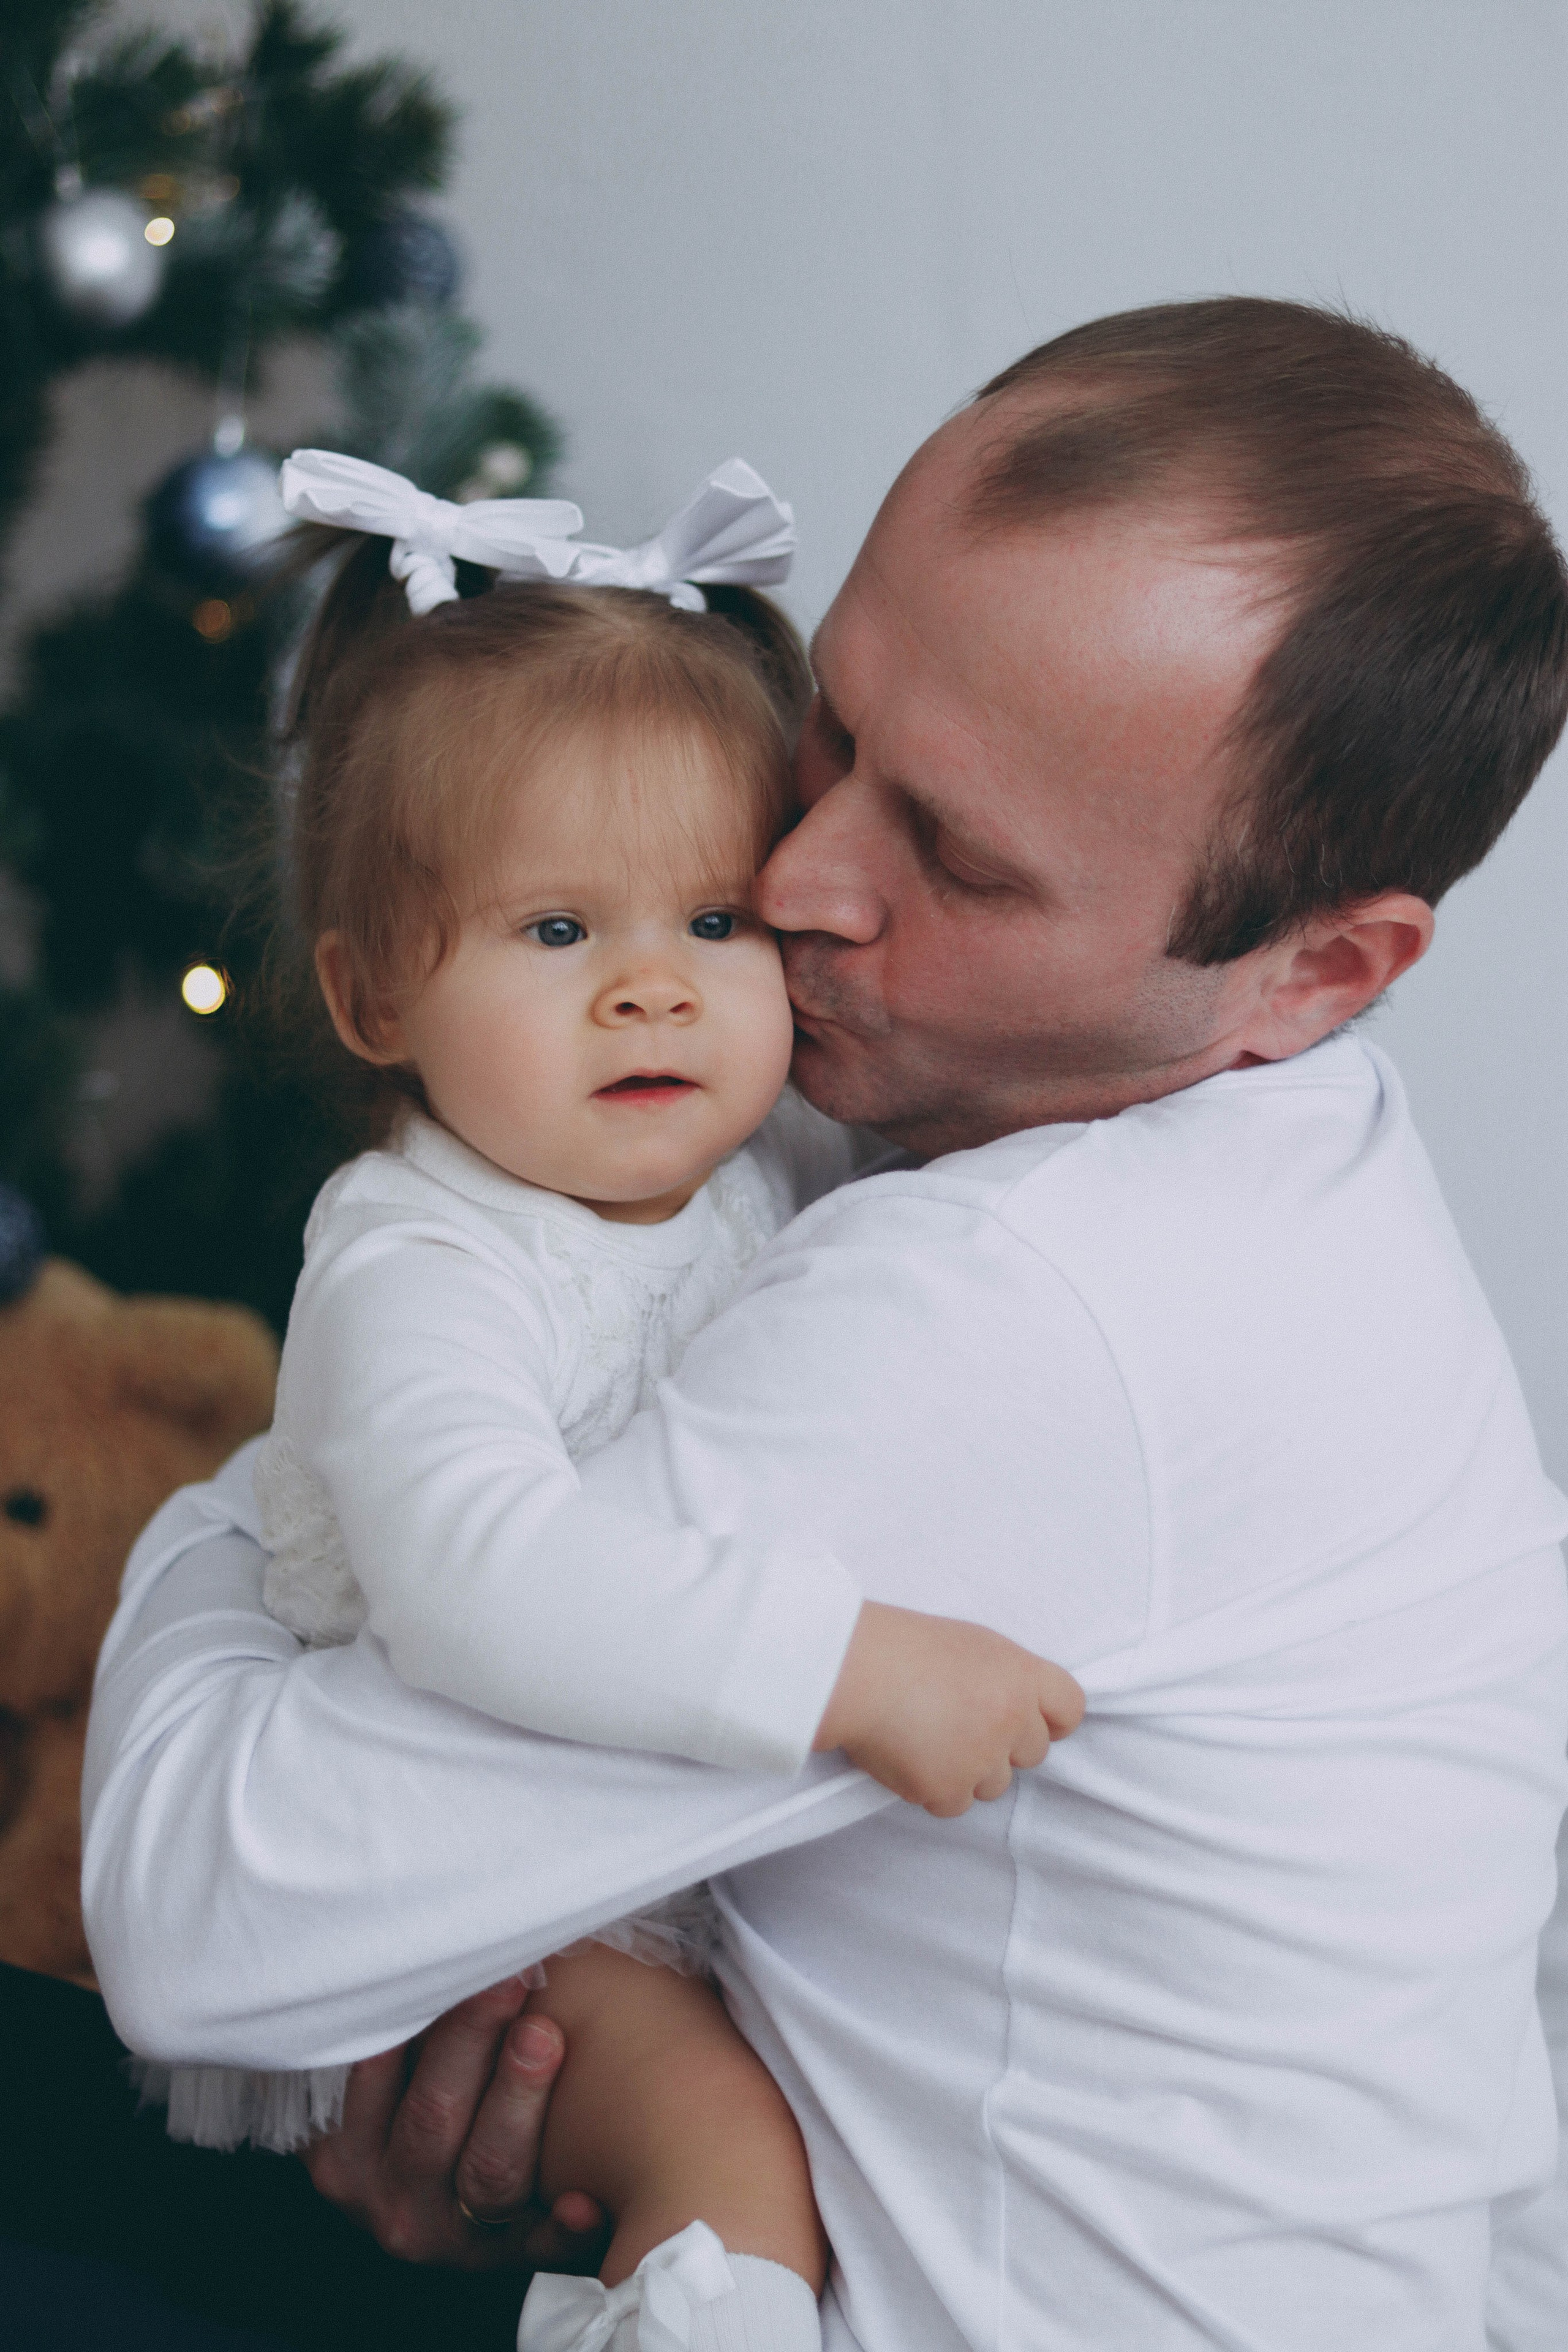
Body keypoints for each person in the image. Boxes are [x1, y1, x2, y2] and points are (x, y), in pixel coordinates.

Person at [84, 299, 1568, 2351]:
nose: (791, 876)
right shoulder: (1273, 1162)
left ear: (1318, 967)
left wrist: (238, 1504)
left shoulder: (1024, 1311)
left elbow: (199, 1916)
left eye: (950, 851)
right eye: (837, 727)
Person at [127, 454, 1080, 2352]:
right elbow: (480, 1578)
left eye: (712, 925)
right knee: (737, 2166)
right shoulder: (422, 1262)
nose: (651, 994)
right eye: (558, 933)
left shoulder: (777, 1166)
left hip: (650, 1858)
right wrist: (848, 1669)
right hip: (482, 1922)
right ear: (376, 994)